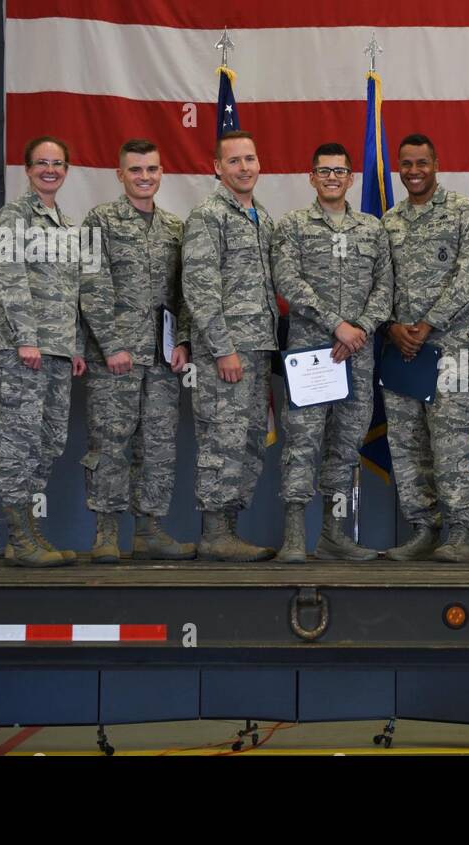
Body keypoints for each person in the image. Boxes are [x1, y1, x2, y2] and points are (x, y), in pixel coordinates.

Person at [273, 142, 393, 562]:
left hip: (357, 356)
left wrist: (359, 327)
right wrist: (335, 324)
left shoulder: (372, 229)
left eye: (340, 171)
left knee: (345, 445)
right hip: (310, 352)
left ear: (351, 178)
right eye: (324, 171)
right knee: (303, 442)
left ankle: (331, 533)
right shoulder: (292, 225)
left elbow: (385, 288)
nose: (332, 178)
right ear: (311, 176)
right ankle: (293, 536)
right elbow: (287, 280)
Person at [79, 139, 195, 564]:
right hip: (116, 359)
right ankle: (106, 533)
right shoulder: (101, 221)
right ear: (120, 174)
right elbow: (91, 286)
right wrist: (111, 345)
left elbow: (185, 293)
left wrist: (182, 340)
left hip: (162, 361)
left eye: (152, 169)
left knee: (159, 446)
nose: (145, 177)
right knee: (110, 442)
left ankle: (149, 531)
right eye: (136, 170)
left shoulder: (175, 227)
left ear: (162, 172)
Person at [381, 134, 469, 562]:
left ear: (436, 163)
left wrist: (428, 324)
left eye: (421, 162)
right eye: (405, 164)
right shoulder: (388, 222)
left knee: (451, 440)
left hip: (451, 348)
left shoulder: (464, 213)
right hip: (401, 349)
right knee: (407, 441)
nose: (413, 171)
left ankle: (460, 531)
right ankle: (424, 528)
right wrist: (391, 326)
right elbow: (377, 283)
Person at [182, 129, 280, 561]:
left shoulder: (263, 217)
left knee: (250, 439)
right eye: (235, 161)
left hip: (259, 350)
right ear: (217, 168)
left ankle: (231, 530)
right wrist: (223, 349)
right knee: (222, 439)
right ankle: (215, 532)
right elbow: (200, 288)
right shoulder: (208, 216)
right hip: (227, 352)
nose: (244, 168)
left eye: (250, 159)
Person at [0, 135, 87, 567]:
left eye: (58, 163)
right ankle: (20, 537)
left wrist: (76, 346)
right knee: (20, 442)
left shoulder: (69, 226)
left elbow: (74, 292)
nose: (51, 170)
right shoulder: (13, 216)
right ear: (28, 170)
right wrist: (26, 338)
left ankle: (27, 534)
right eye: (42, 163)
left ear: (66, 171)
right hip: (22, 351)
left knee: (49, 442)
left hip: (59, 351)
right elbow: (9, 280)